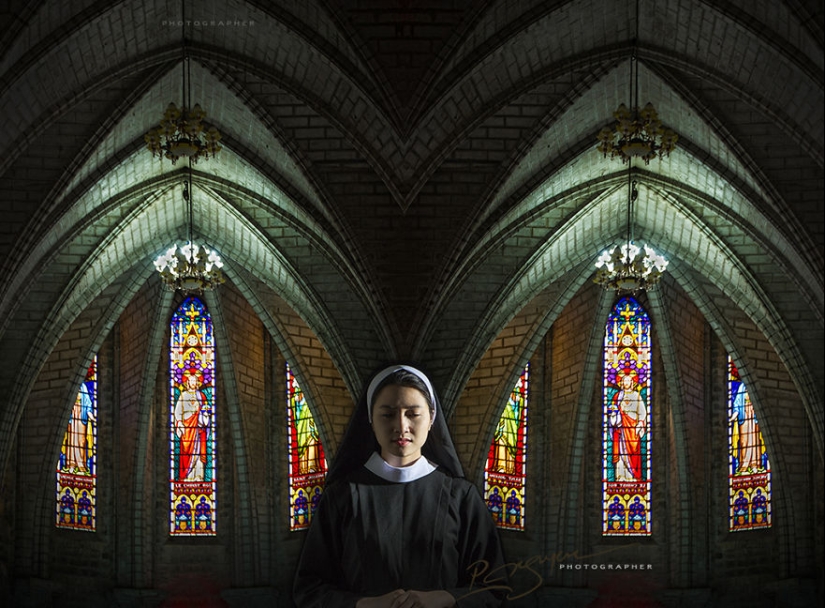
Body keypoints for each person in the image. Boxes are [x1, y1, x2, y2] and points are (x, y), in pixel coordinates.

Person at [293, 364, 507, 608]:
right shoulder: (341, 496)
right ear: (371, 420)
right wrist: (364, 605)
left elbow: (493, 586)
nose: (401, 426)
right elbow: (309, 589)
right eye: (388, 414)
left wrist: (445, 598)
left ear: (431, 419)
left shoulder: (462, 497)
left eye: (413, 414)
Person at [608, 371, 647, 481]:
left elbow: (642, 413)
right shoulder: (618, 396)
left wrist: (640, 423)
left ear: (632, 383)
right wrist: (614, 416)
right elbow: (613, 411)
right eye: (624, 380)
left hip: (632, 430)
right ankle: (621, 478)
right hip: (621, 430)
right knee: (621, 454)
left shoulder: (636, 396)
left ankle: (632, 478)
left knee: (633, 454)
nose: (626, 382)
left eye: (629, 380)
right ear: (621, 382)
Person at [173, 370, 211, 481]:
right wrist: (179, 422)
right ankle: (187, 478)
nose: (193, 383)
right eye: (191, 381)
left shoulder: (201, 396)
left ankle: (198, 477)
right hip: (187, 430)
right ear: (188, 383)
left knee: (198, 454)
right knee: (186, 454)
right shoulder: (183, 395)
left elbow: (205, 412)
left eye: (195, 381)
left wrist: (204, 415)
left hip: (198, 430)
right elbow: (177, 412)